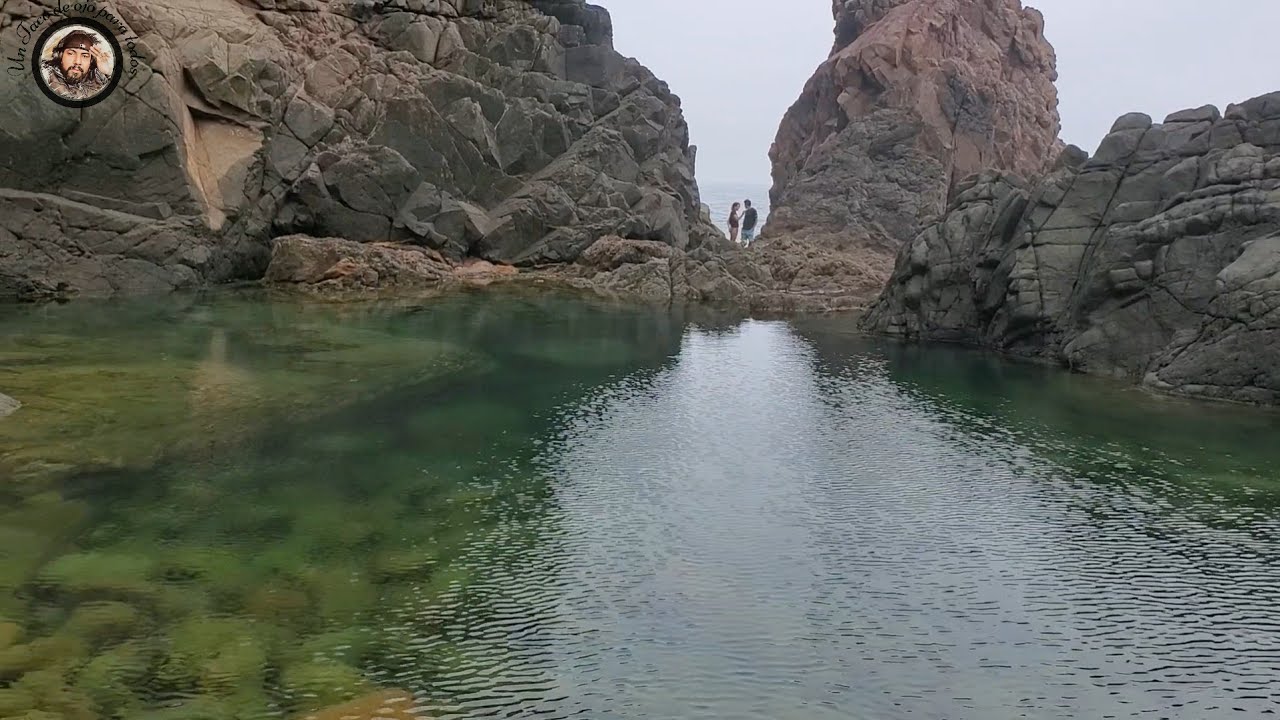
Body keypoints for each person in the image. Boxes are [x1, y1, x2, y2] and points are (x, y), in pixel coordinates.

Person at [41, 30, 112, 102]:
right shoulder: (45, 77)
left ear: (91, 61)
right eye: (71, 53)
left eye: (84, 56)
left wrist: (104, 74)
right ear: (59, 56)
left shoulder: (98, 81)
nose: (77, 61)